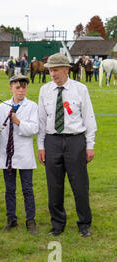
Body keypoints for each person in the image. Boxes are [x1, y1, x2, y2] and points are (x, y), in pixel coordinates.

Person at [37, 53, 97, 238]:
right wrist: (41, 145)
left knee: (79, 185)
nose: (52, 74)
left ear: (66, 69)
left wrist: (89, 145)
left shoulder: (80, 89)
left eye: (55, 70)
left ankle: (84, 223)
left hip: (75, 141)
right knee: (54, 185)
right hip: (52, 141)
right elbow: (41, 120)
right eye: (50, 70)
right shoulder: (44, 90)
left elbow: (89, 118)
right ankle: (57, 224)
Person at [0, 74, 39, 234]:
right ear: (11, 88)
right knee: (9, 189)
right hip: (7, 154)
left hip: (24, 154)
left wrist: (18, 121)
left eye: (24, 88)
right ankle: (11, 219)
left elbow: (34, 129)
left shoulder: (32, 106)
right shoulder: (3, 106)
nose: (21, 91)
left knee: (27, 189)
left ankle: (31, 220)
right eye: (17, 88)